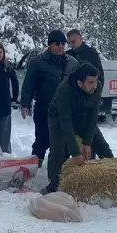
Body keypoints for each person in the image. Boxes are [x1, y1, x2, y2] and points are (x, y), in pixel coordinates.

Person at [20, 30, 79, 167]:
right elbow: (28, 85)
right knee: (42, 140)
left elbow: (78, 85)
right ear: (49, 45)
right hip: (44, 108)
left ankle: (61, 172)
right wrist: (25, 104)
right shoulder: (38, 62)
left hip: (65, 110)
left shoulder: (72, 63)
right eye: (57, 43)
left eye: (63, 44)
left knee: (64, 143)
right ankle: (34, 167)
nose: (61, 46)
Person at [42, 63, 102, 195]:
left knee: (101, 146)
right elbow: (66, 122)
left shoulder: (97, 87)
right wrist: (75, 153)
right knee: (58, 150)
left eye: (96, 81)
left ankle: (105, 179)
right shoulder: (64, 89)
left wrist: (87, 142)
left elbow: (93, 116)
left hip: (82, 116)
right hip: (58, 117)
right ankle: (53, 186)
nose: (95, 85)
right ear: (80, 83)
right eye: (91, 82)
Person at [66, 29, 113, 159]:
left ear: (81, 38)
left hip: (89, 100)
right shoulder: (69, 55)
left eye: (74, 42)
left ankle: (110, 164)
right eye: (69, 43)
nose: (72, 45)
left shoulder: (91, 53)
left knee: (95, 139)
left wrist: (94, 92)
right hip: (73, 103)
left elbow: (100, 77)